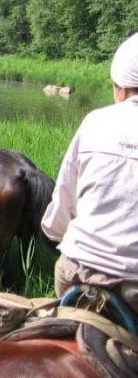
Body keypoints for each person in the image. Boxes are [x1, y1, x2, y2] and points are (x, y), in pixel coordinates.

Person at [42, 32, 138, 316]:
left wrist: (61, 234)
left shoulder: (95, 121)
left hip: (76, 273)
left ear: (119, 89)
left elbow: (58, 214)